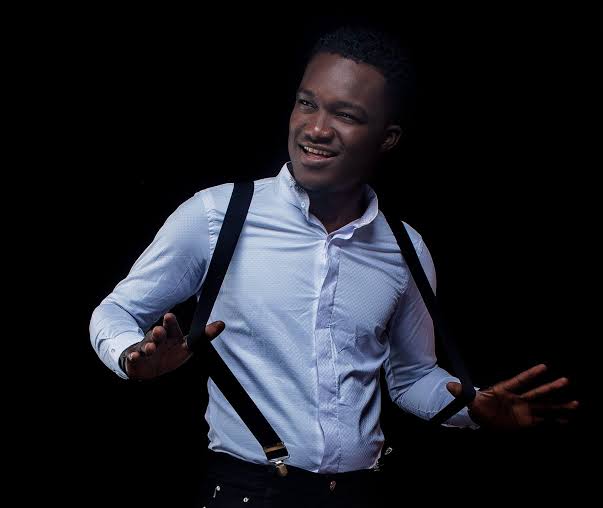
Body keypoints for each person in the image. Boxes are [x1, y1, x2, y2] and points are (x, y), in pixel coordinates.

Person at [90, 26, 579, 507]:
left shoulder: (405, 247)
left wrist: (472, 407)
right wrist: (132, 356)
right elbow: (115, 311)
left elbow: (411, 377)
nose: (317, 129)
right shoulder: (217, 215)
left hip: (359, 495)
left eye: (345, 115)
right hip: (248, 494)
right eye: (307, 103)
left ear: (387, 138)